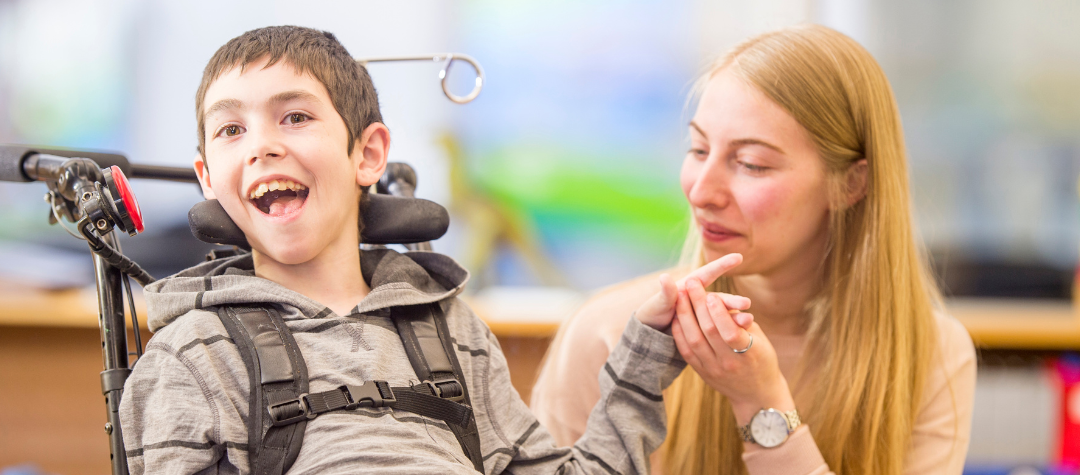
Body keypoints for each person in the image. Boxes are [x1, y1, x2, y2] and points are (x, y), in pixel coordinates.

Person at [119, 25, 751, 474]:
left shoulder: (449, 331)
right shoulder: (192, 354)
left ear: (367, 154)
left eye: (294, 118)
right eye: (232, 129)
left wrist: (644, 359)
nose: (260, 145)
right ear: (208, 178)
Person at [530, 24, 977, 475]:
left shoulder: (932, 354)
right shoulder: (605, 332)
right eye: (699, 149)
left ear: (851, 183)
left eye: (751, 164)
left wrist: (760, 403)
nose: (702, 192)